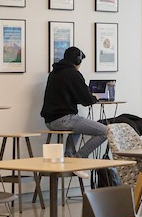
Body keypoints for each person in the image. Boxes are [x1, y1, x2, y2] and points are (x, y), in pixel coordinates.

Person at [40, 46, 105, 175]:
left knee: (79, 124)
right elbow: (86, 100)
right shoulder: (73, 73)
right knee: (105, 131)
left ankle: (69, 156)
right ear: (78, 60)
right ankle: (78, 160)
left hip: (50, 121)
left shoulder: (55, 73)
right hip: (63, 119)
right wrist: (94, 98)